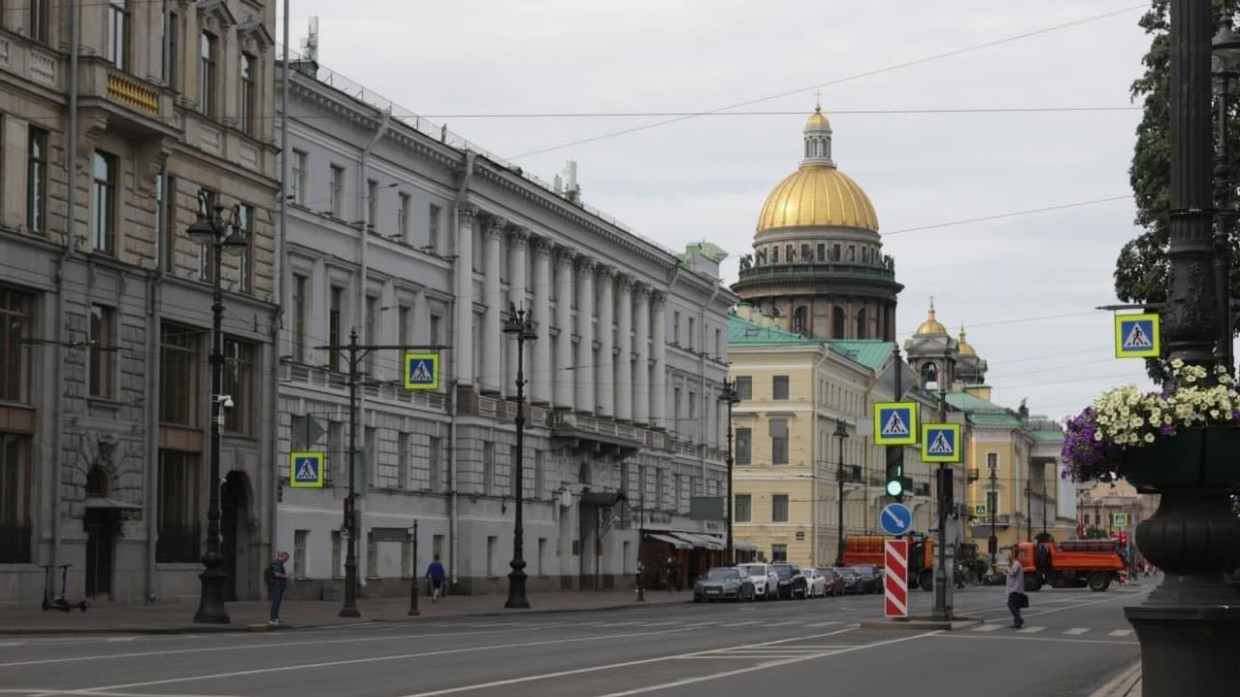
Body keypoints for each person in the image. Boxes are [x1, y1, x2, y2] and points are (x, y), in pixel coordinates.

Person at [1005, 545, 1027, 629]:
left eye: (1011, 552)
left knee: (1011, 605)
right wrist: (1009, 565)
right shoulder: (1014, 564)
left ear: (1014, 554)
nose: (1009, 554)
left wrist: (1007, 567)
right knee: (1016, 606)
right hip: (1015, 588)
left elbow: (1012, 573)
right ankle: (1017, 622)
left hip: (1015, 589)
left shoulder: (1016, 564)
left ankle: (1019, 619)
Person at [267, 551, 290, 626]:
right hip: (276, 584)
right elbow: (276, 574)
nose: (286, 560)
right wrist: (285, 576)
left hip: (280, 585)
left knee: (278, 602)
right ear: (282, 556)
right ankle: (272, 619)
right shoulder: (276, 563)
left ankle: (276, 617)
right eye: (286, 559)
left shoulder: (280, 564)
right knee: (275, 602)